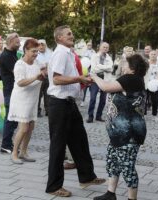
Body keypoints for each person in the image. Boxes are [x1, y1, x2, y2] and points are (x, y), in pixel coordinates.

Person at [45, 25, 105, 197]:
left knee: (79, 140)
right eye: (68, 34)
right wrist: (78, 78)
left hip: (69, 103)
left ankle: (86, 177)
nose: (72, 35)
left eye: (72, 33)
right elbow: (56, 79)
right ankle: (54, 186)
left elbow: (67, 78)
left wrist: (81, 82)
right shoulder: (61, 52)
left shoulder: (69, 53)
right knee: (58, 146)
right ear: (59, 38)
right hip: (59, 104)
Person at [92, 54, 148, 200]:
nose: (123, 66)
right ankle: (110, 194)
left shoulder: (130, 79)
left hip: (128, 132)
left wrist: (94, 76)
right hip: (119, 131)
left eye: (125, 64)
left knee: (127, 167)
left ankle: (132, 198)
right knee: (113, 162)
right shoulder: (133, 79)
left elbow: (105, 87)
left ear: (132, 68)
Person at [8, 38, 46, 164]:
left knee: (31, 127)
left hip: (33, 99)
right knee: (23, 127)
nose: (36, 54)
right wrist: (36, 77)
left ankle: (24, 152)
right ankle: (14, 153)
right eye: (33, 51)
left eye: (37, 52)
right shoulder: (19, 64)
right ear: (25, 50)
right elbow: (20, 82)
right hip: (21, 99)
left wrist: (44, 73)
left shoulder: (37, 63)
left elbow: (44, 71)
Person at [0, 33, 20, 154]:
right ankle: (5, 145)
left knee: (13, 119)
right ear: (10, 41)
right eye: (17, 43)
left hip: (13, 91)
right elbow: (17, 72)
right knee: (10, 119)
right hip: (10, 91)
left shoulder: (12, 54)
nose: (19, 45)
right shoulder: (6, 56)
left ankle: (8, 143)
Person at [87, 42, 113, 123]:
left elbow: (111, 69)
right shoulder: (94, 56)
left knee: (103, 100)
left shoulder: (109, 58)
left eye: (107, 47)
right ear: (100, 48)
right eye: (104, 47)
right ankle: (90, 116)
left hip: (105, 80)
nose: (105, 48)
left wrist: (100, 66)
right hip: (95, 79)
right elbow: (94, 69)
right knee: (93, 98)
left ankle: (99, 116)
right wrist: (105, 68)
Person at [144, 50, 158, 121]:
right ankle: (144, 114)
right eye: (151, 54)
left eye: (154, 54)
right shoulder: (146, 63)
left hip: (155, 85)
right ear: (149, 55)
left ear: (157, 55)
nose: (153, 55)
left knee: (155, 101)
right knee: (144, 100)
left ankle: (154, 115)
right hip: (146, 84)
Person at [36, 39, 52, 117]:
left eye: (43, 45)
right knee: (38, 95)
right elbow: (35, 64)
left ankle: (48, 110)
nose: (41, 46)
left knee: (47, 94)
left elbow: (51, 64)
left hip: (48, 76)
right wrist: (44, 66)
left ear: (45, 46)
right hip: (39, 77)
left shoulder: (49, 53)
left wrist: (46, 66)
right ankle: (37, 111)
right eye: (39, 45)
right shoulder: (36, 54)